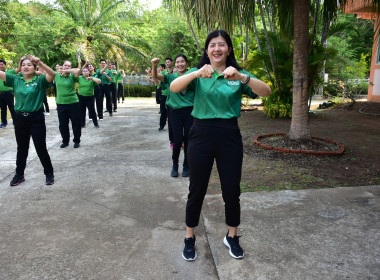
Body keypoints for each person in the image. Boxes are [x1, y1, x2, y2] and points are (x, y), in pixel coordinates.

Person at [170, 30, 271, 261]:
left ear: (229, 49)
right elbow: (174, 87)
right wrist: (195, 74)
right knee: (197, 189)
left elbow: (266, 91)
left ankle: (232, 236)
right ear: (207, 51)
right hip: (200, 134)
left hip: (229, 135)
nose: (217, 49)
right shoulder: (199, 74)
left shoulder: (237, 75)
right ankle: (189, 237)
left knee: (232, 190)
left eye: (222, 45)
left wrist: (242, 78)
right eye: (212, 45)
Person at [0, 55, 55, 186]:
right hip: (19, 119)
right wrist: (17, 69)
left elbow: (52, 74)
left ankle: (49, 173)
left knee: (40, 147)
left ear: (35, 67)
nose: (26, 67)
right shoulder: (15, 79)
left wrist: (40, 62)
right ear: (20, 67)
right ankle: (19, 175)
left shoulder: (40, 80)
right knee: (22, 148)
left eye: (29, 65)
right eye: (23, 64)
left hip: (36, 118)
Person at [152, 55, 194, 178]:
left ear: (186, 63)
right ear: (175, 64)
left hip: (189, 112)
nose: (180, 64)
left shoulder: (192, 77)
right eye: (177, 62)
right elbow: (155, 77)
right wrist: (154, 66)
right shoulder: (170, 77)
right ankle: (175, 165)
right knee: (177, 141)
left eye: (182, 62)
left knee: (188, 140)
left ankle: (187, 166)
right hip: (175, 112)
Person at [55, 60, 81, 148]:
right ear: (62, 66)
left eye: (69, 66)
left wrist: (65, 71)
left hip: (73, 102)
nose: (67, 67)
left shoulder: (72, 76)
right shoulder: (57, 75)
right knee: (63, 124)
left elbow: (78, 70)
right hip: (61, 103)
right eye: (65, 65)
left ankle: (76, 140)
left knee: (76, 123)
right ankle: (65, 141)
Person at [0, 59, 16, 128]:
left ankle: (16, 122)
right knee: (3, 109)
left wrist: (12, 65)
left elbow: (16, 71)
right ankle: (4, 122)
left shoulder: (9, 72)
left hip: (9, 93)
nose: (0, 66)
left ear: (5, 65)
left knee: (12, 108)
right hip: (0, 94)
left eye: (2, 64)